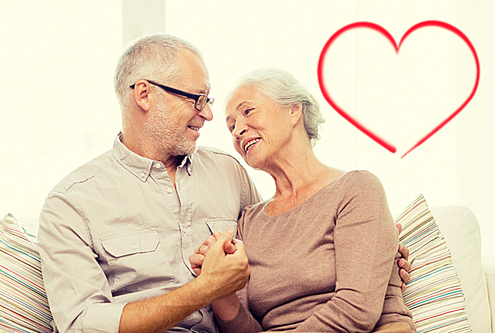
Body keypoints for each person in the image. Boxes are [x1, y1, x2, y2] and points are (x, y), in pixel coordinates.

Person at [38, 34, 410, 333]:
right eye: (196, 99)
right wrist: (205, 291)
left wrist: (376, 246)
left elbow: (293, 241)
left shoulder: (229, 173)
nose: (210, 116)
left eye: (240, 111)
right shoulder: (72, 202)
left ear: (294, 110)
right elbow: (81, 324)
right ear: (144, 95)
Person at [190, 68, 416, 332]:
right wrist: (218, 290)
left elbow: (357, 309)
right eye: (231, 126)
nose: (238, 130)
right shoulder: (249, 222)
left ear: (293, 110)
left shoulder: (356, 189)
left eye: (248, 112)